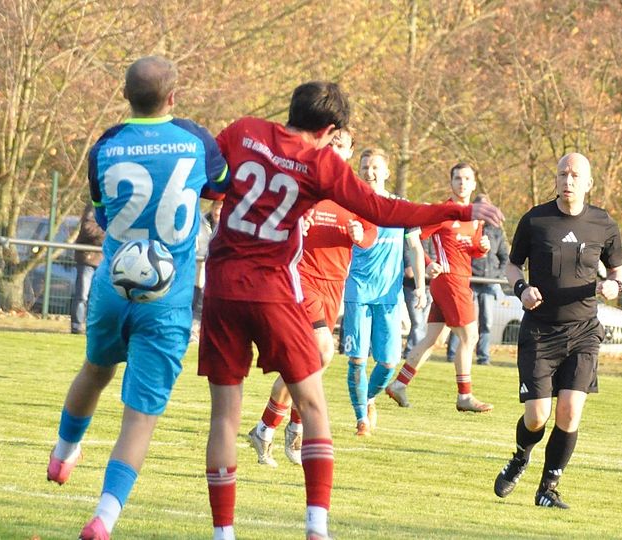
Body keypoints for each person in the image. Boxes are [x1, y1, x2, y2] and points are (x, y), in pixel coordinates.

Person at [199, 81, 504, 540]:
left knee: (224, 414)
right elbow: (383, 209)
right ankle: (316, 527)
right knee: (315, 403)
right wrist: (454, 209)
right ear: (329, 128)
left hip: (222, 288)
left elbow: (209, 185)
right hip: (275, 289)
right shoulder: (319, 161)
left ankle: (224, 533)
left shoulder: (244, 131)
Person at [45, 55, 229, 540]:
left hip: (112, 284)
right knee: (139, 417)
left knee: (96, 369)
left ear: (125, 96)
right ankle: (103, 518)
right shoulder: (196, 140)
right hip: (166, 299)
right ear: (173, 97)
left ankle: (63, 453)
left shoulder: (105, 145)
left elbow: (102, 213)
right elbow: (221, 187)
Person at [493, 152, 622, 509]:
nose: (567, 181)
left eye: (575, 175)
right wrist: (522, 289)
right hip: (540, 332)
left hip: (583, 331)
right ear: (556, 178)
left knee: (569, 410)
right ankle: (521, 455)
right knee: (537, 416)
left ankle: (548, 489)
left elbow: (619, 272)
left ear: (588, 183)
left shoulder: (602, 223)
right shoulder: (536, 220)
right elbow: (511, 266)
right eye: (563, 174)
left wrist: (615, 286)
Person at [246, 127, 375, 467]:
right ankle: (290, 430)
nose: (335, 148)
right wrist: (293, 224)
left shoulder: (353, 190)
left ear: (349, 152)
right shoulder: (304, 180)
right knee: (321, 350)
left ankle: (267, 428)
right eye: (331, 142)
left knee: (310, 364)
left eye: (342, 144)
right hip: (301, 278)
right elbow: (275, 214)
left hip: (335, 285)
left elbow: (371, 230)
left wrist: (361, 234)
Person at [385, 162, 494, 413]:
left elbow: (471, 250)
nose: (462, 183)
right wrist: (427, 262)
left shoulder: (476, 217)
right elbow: (412, 236)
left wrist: (482, 248)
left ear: (474, 183)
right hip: (449, 281)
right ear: (451, 183)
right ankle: (464, 396)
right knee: (470, 337)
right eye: (458, 178)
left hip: (459, 279)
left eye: (467, 179)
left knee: (432, 338)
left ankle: (400, 384)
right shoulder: (443, 211)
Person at [341, 148, 415, 437]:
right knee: (357, 360)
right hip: (357, 290)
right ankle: (361, 418)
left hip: (389, 297)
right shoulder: (349, 205)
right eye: (364, 167)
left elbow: (415, 248)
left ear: (386, 172)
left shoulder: (400, 207)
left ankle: (369, 398)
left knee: (388, 362)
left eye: (375, 168)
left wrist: (420, 287)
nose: (369, 172)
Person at [446, 193, 510, 365]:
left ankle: (483, 356)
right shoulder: (467, 226)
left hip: (488, 283)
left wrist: (497, 275)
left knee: (486, 321)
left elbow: (505, 257)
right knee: (461, 319)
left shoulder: (496, 232)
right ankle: (452, 354)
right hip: (469, 281)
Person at [191, 199, 223, 342]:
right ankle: (194, 328)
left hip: (220, 266)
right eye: (215, 207)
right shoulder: (203, 222)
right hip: (201, 263)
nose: (217, 212)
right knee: (198, 295)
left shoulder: (229, 224)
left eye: (220, 208)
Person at [71, 203, 105, 334]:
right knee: (82, 295)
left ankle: (95, 327)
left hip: (104, 260)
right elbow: (88, 228)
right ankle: (77, 326)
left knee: (100, 297)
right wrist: (108, 234)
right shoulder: (95, 206)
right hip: (88, 258)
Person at [401, 230, 429, 359]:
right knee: (418, 322)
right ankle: (414, 353)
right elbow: (409, 250)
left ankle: (412, 351)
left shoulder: (433, 231)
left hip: (429, 284)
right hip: (411, 286)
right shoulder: (411, 231)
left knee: (421, 323)